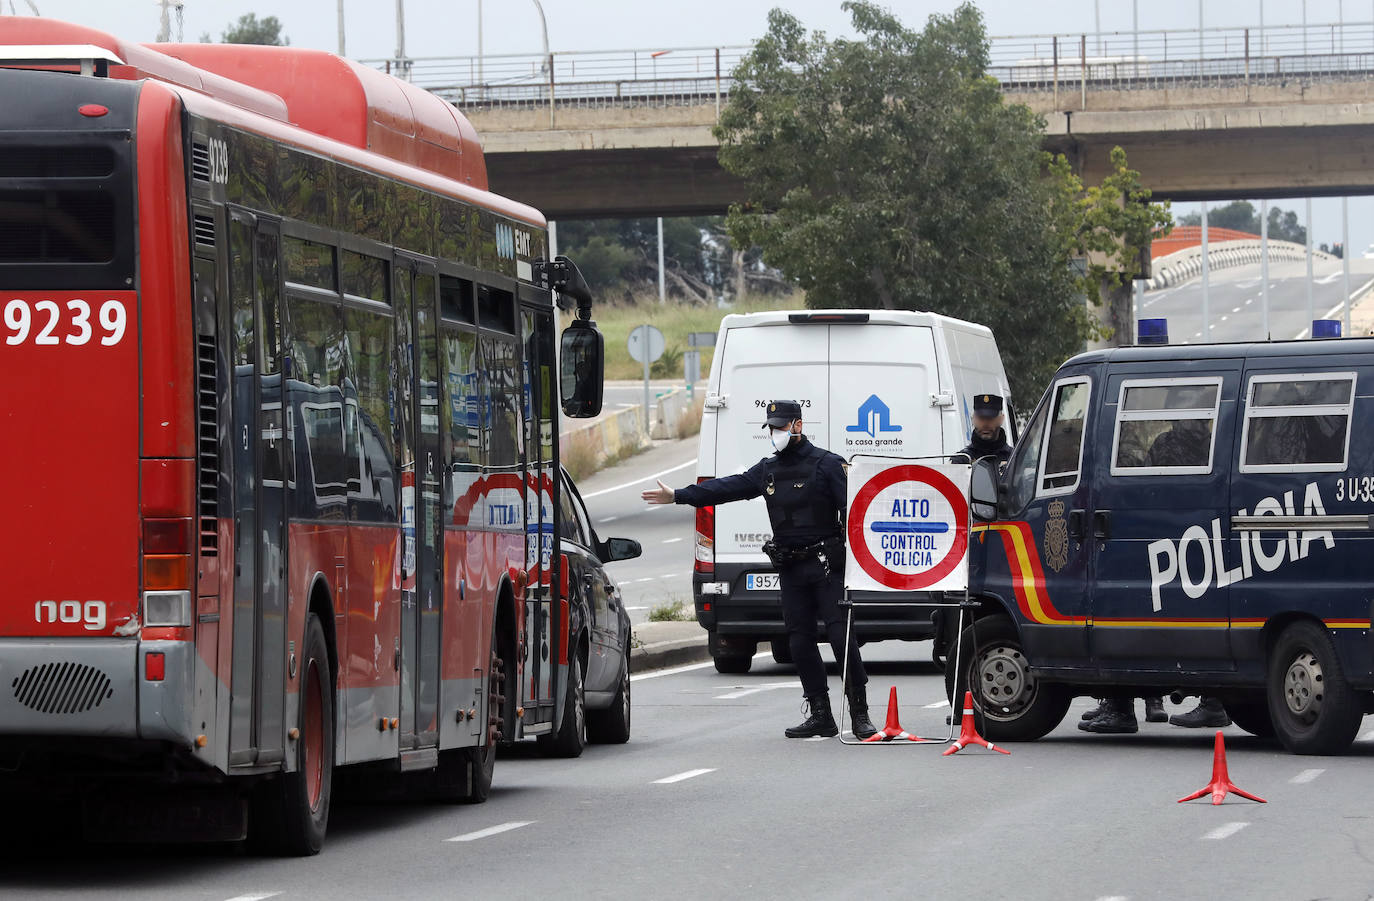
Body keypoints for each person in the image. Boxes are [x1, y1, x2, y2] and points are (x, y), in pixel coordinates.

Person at [641, 399, 876, 740]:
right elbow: (727, 488)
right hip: (791, 568)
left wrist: (857, 562)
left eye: (781, 426)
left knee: (841, 638)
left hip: (825, 566)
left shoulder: (827, 464)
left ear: (797, 425)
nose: (776, 433)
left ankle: (860, 713)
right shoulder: (769, 469)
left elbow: (855, 512)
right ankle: (821, 713)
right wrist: (679, 495)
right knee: (799, 641)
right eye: (772, 428)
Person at [954, 394, 1013, 466]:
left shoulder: (1013, 458)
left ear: (1001, 419)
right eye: (981, 418)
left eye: (990, 418)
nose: (985, 424)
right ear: (973, 419)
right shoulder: (962, 460)